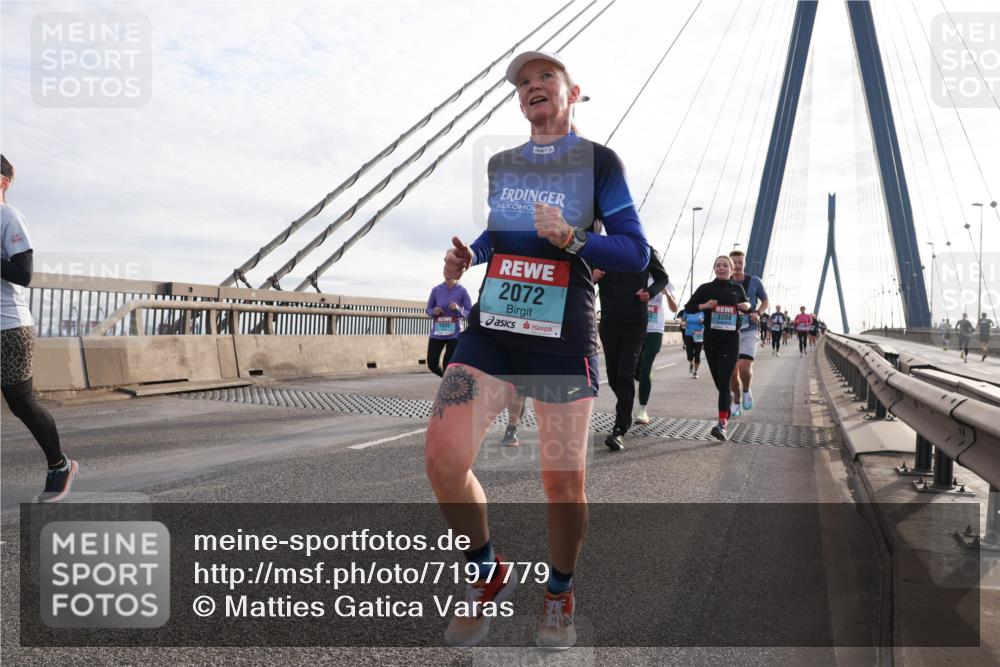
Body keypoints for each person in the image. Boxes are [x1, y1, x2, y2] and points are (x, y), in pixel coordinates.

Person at [424, 51, 649, 650]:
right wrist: (469, 256)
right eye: (522, 82)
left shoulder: (599, 164)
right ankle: (485, 572)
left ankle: (559, 591)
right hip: (492, 330)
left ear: (573, 92)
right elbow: (500, 234)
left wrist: (575, 239)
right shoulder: (502, 165)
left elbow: (635, 254)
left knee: (562, 484)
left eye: (544, 77)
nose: (532, 87)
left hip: (561, 338)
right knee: (444, 461)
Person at [1, 155, 78, 502]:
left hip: (9, 328)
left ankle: (59, 465)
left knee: (21, 403)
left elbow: (24, 273)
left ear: (3, 181)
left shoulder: (10, 217)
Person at [592, 246, 668, 450]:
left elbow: (662, 278)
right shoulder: (604, 248)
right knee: (614, 376)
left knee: (625, 374)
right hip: (609, 322)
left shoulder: (644, 249)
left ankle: (619, 430)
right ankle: (627, 402)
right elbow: (583, 273)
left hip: (635, 323)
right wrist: (593, 274)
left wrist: (650, 292)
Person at [685, 256, 750, 441]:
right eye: (718, 265)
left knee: (723, 379)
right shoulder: (706, 288)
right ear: (714, 268)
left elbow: (747, 306)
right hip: (711, 339)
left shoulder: (737, 288)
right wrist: (705, 305)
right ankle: (727, 398)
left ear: (731, 269)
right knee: (719, 382)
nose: (721, 268)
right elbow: (688, 307)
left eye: (725, 266)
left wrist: (747, 306)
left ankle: (722, 424)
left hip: (731, 339)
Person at [727, 250, 768, 418]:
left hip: (749, 330)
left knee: (744, 366)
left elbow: (765, 301)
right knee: (731, 371)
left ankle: (746, 389)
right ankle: (736, 400)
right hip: (729, 331)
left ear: (744, 263)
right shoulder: (724, 282)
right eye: (734, 262)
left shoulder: (754, 281)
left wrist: (758, 313)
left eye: (740, 262)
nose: (737, 265)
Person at [634, 271, 677, 425]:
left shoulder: (663, 279)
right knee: (635, 370)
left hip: (655, 330)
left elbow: (674, 308)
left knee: (645, 368)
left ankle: (642, 411)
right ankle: (644, 376)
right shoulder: (636, 276)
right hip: (636, 327)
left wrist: (667, 294)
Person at [425, 272, 472, 376]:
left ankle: (448, 384)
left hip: (454, 334)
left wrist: (458, 309)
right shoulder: (436, 290)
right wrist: (434, 311)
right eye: (446, 271)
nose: (447, 274)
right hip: (437, 333)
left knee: (447, 365)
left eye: (451, 272)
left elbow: (470, 313)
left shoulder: (462, 291)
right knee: (432, 364)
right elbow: (428, 309)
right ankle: (446, 380)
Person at [680, 307, 705, 378]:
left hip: (699, 335)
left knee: (697, 354)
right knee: (689, 354)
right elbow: (682, 321)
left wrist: (702, 321)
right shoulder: (687, 311)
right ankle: (691, 363)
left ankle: (696, 372)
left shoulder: (702, 311)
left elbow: (706, 321)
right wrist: (683, 323)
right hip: (689, 334)